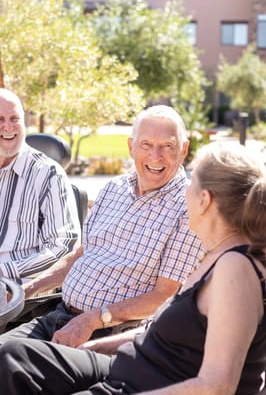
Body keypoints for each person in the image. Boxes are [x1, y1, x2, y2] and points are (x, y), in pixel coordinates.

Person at [0, 141, 265, 395]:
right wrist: (96, 346)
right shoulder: (215, 255)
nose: (186, 191)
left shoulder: (235, 269)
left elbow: (217, 386)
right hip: (132, 364)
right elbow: (171, 334)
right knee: (14, 357)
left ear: (204, 199)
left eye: (191, 184)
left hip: (142, 382)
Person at [0, 104, 202, 346]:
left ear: (183, 149)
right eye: (146, 145)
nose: (155, 156)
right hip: (58, 314)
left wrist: (94, 319)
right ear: (131, 147)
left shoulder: (188, 208)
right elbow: (80, 254)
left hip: (108, 334)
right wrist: (25, 291)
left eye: (167, 146)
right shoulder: (114, 188)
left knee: (9, 360)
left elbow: (165, 295)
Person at [0, 88, 80, 285]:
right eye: (0, 119)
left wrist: (5, 271)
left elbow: (63, 246)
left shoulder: (47, 173)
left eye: (14, 118)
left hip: (17, 290)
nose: (8, 127)